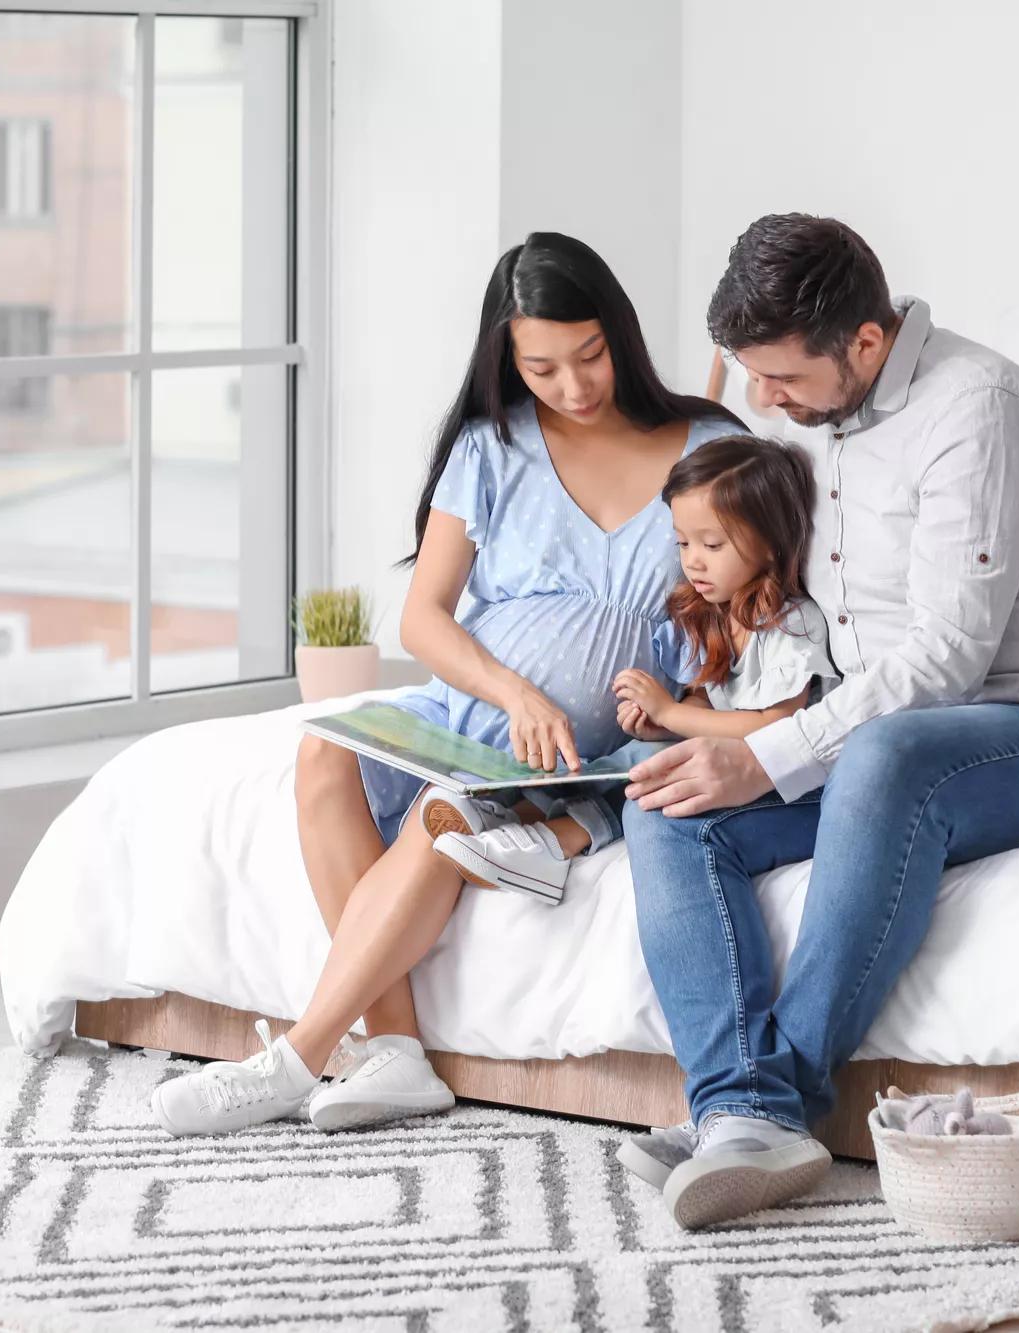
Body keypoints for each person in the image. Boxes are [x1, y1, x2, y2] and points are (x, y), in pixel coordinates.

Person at [621, 214, 1019, 1230]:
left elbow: (946, 660)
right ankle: (738, 1110)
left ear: (865, 343)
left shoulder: (973, 407)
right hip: (872, 737)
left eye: (779, 378)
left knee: (882, 751)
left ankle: (780, 1095)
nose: (761, 402)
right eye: (749, 374)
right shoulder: (807, 411)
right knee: (666, 803)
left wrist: (769, 755)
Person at [151, 232, 739, 1137]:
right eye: (542, 368)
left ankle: (298, 1054)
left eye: (590, 356)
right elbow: (423, 617)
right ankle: (395, 1049)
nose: (575, 388)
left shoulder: (709, 442)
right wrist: (513, 691)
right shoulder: (491, 444)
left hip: (599, 746)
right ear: (506, 359)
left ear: (619, 332)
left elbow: (747, 605)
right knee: (322, 757)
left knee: (442, 809)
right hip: (480, 710)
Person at [432, 434, 840, 901]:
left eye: (712, 544)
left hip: (776, 773)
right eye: (684, 544)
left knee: (651, 771)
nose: (693, 562)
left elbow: (776, 725)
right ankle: (512, 817)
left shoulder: (792, 625)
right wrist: (657, 726)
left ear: (770, 545)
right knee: (628, 758)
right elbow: (708, 697)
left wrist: (670, 715)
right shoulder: (717, 613)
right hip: (723, 752)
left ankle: (558, 843)